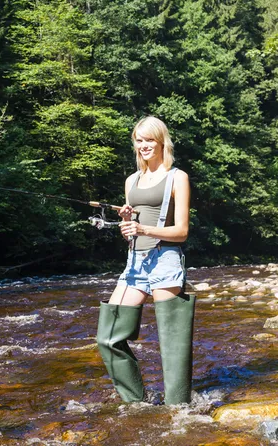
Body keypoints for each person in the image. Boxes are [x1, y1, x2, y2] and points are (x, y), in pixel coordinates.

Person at [96, 116, 195, 405]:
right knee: (108, 336)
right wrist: (128, 223)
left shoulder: (178, 177)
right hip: (135, 263)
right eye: (139, 140)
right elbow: (131, 234)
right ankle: (136, 403)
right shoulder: (131, 181)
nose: (143, 146)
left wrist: (142, 228)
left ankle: (179, 411)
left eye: (149, 140)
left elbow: (182, 232)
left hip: (166, 259)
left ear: (161, 141)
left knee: (172, 346)